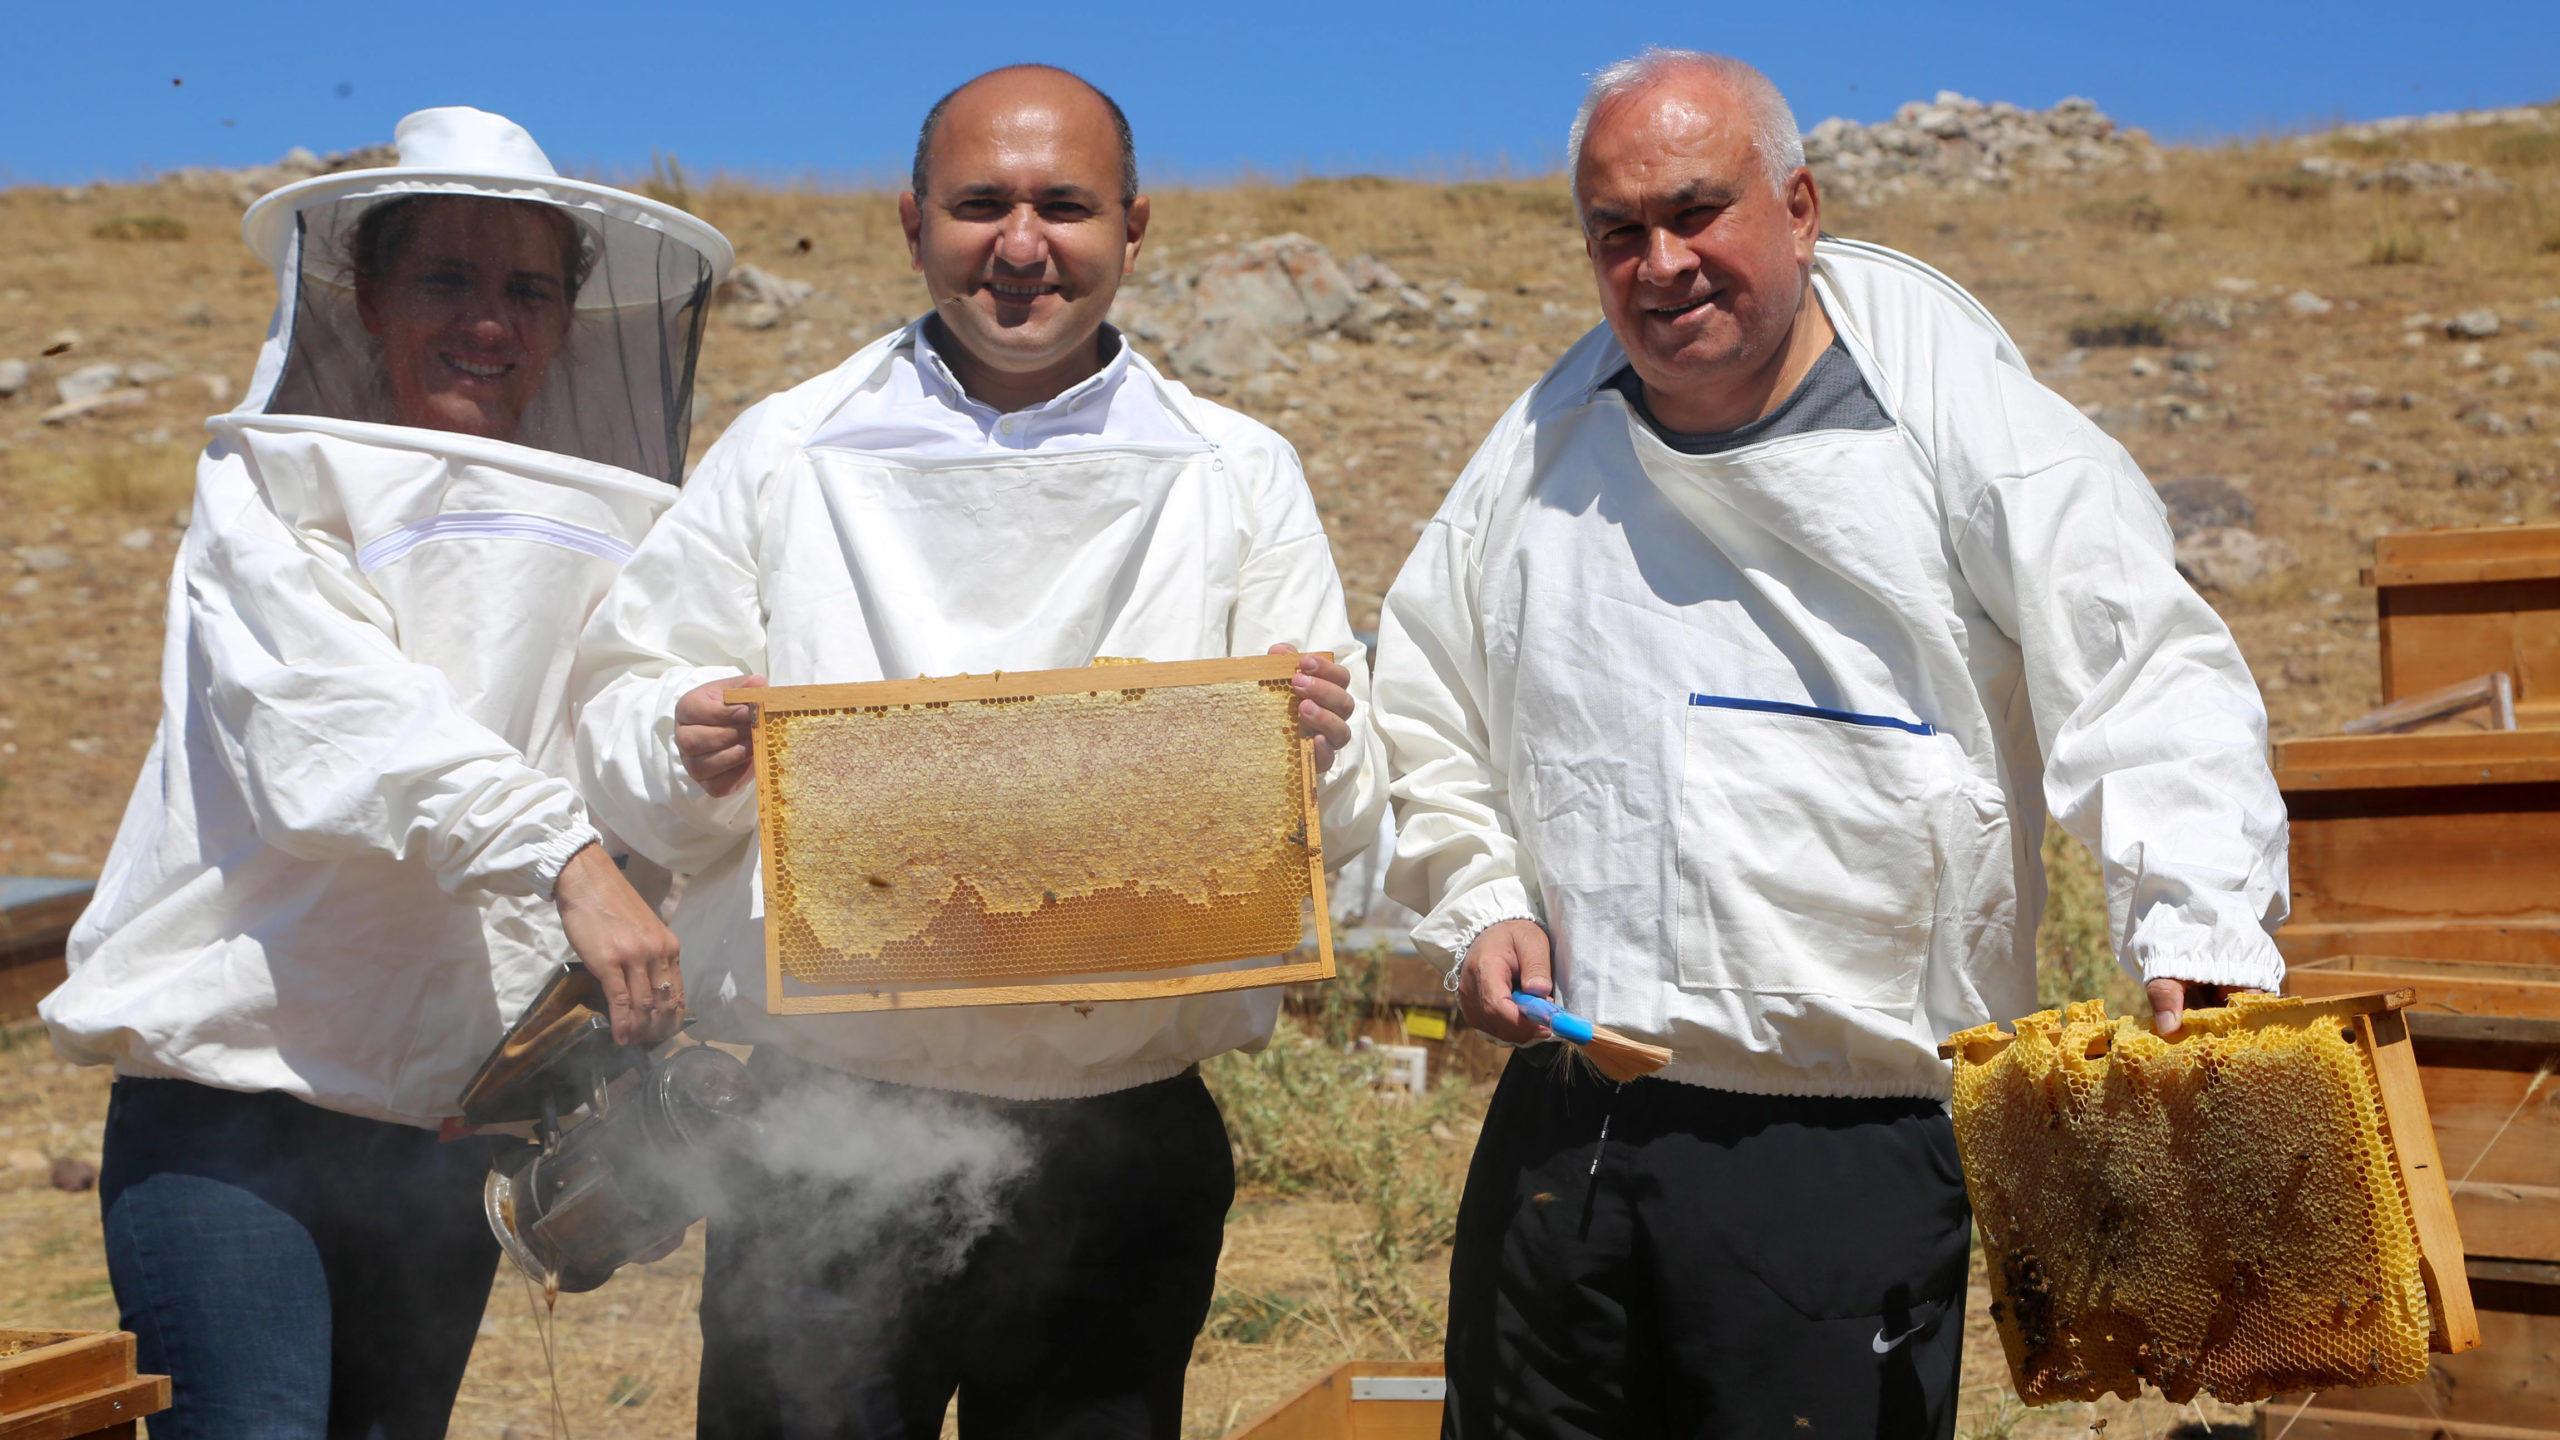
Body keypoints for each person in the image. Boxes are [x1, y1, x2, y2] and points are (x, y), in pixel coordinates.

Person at [1371, 50, 2288, 1440]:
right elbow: (1422, 695)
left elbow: (2144, 665)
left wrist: (2198, 920)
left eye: (1696, 213)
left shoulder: (1972, 428)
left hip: (1849, 1134)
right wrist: (1480, 896)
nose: (1661, 262)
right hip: (1570, 1123)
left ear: (1798, 206)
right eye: (1618, 232)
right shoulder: (1540, 452)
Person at [572, 64, 1386, 1440]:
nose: (1021, 245)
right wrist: (684, 734)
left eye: (1063, 206)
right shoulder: (789, 451)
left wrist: (1312, 752)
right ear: (911, 223)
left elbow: (1347, 811)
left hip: (1120, 1127)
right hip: (828, 1126)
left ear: (1136, 229)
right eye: (980, 205)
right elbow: (622, 715)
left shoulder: (1235, 470)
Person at [41, 107, 732, 1439]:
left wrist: (695, 743)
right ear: (363, 295)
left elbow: (624, 740)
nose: (489, 320)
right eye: (447, 280)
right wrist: (565, 859)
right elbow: (335, 727)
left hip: (446, 1126)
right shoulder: (265, 490)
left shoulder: (625, 529)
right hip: (233, 1112)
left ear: (569, 319)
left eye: (528, 288)